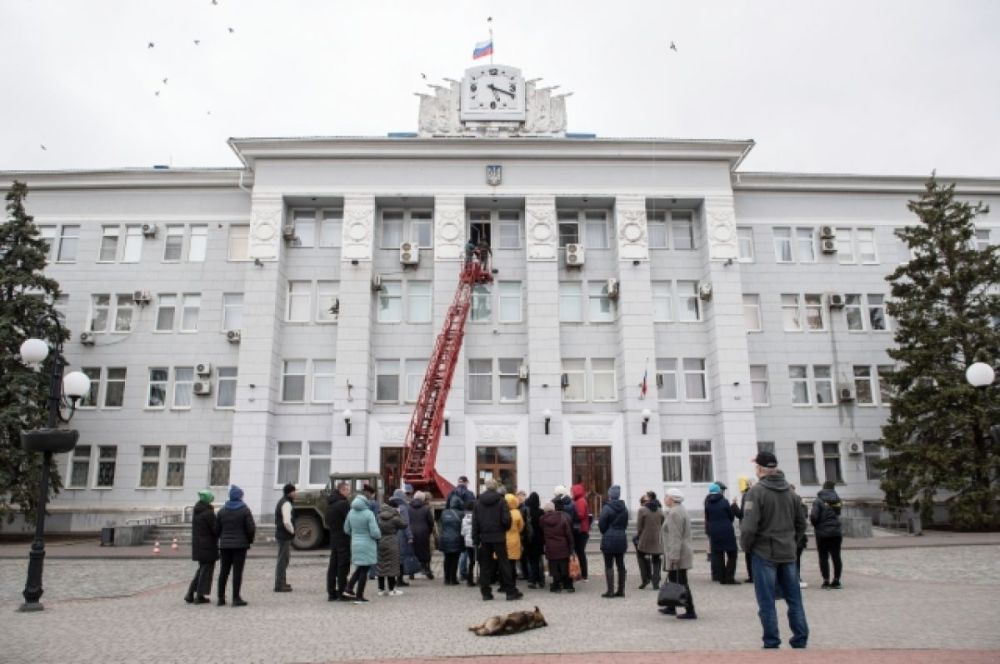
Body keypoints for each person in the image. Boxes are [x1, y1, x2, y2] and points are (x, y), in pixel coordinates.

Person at [740, 451, 809, 649]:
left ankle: (771, 640)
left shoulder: (756, 492)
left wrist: (746, 546)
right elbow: (802, 524)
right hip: (788, 552)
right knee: (794, 599)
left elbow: (749, 526)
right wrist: (792, 541)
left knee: (767, 600)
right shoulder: (790, 492)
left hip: (764, 553)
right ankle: (800, 637)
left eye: (756, 466)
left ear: (760, 469)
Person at [472, 479, 522, 601]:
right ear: (495, 488)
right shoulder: (501, 501)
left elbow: (475, 522)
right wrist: (504, 528)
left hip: (484, 537)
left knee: (485, 565)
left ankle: (486, 592)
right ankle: (510, 591)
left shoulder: (478, 502)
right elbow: (506, 520)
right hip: (499, 536)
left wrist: (476, 538)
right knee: (504, 564)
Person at [215, 484, 255, 607]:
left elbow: (217, 529)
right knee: (237, 572)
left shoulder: (222, 511)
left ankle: (220, 598)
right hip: (240, 546)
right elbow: (251, 528)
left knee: (223, 572)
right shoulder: (245, 510)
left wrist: (222, 539)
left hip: (225, 546)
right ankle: (236, 597)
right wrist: (249, 540)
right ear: (240, 497)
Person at [661, 488, 696, 619]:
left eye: (666, 496)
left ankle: (690, 609)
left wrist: (674, 555)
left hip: (678, 552)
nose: (664, 499)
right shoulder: (679, 510)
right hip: (680, 550)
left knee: (681, 582)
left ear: (672, 498)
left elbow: (675, 536)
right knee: (674, 579)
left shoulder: (675, 513)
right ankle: (671, 606)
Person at [344, 494, 381, 604]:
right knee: (364, 570)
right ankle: (359, 596)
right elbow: (374, 532)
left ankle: (349, 588)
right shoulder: (368, 514)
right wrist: (378, 536)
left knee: (361, 568)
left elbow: (346, 529)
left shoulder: (351, 512)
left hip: (355, 543)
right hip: (367, 544)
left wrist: (355, 535)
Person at [185, 489, 217, 605]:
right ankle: (200, 595)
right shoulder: (208, 513)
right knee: (206, 570)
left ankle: (190, 593)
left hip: (199, 545)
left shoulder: (197, 510)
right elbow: (215, 529)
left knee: (201, 569)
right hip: (208, 545)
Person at [811, 480, 844, 589]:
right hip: (836, 532)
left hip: (822, 533)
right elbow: (838, 513)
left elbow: (814, 517)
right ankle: (836, 580)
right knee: (836, 556)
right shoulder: (837, 499)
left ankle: (826, 580)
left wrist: (816, 525)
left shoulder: (818, 500)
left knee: (823, 557)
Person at [704, 482, 739, 585]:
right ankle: (729, 577)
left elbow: (708, 517)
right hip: (726, 530)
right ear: (719, 491)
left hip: (714, 530)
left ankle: (721, 577)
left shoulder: (707, 503)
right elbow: (731, 516)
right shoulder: (724, 501)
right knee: (732, 554)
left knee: (718, 555)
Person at [598, 485, 629, 598]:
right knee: (621, 565)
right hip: (621, 537)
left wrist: (606, 532)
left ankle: (610, 591)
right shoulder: (624, 508)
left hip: (609, 538)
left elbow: (602, 524)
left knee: (609, 565)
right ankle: (621, 590)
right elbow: (625, 524)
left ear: (610, 495)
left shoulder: (607, 508)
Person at [540, 501, 575, 593]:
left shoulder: (542, 520)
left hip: (550, 547)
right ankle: (568, 585)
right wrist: (571, 545)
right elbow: (568, 533)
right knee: (564, 566)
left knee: (554, 567)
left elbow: (541, 533)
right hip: (563, 546)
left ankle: (556, 585)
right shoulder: (562, 517)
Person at [326, 481, 352, 601]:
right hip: (343, 539)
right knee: (343, 566)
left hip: (334, 538)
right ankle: (342, 592)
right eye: (347, 490)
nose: (349, 492)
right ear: (342, 490)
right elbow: (350, 520)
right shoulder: (343, 504)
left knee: (333, 566)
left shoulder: (330, 503)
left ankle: (331, 592)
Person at [376, 497, 407, 596]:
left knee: (382, 566)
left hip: (381, 541)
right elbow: (405, 524)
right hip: (392, 542)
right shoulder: (395, 518)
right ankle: (391, 589)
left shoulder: (379, 516)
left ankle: (380, 590)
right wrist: (398, 513)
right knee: (392, 566)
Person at [636, 490, 664, 590]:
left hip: (645, 538)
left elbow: (639, 527)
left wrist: (639, 535)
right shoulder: (660, 510)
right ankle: (656, 583)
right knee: (656, 560)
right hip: (657, 538)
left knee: (641, 557)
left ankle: (645, 579)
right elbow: (662, 523)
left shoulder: (642, 510)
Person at [273, 482, 296, 592]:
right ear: (290, 492)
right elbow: (287, 521)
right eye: (294, 491)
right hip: (284, 535)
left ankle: (282, 582)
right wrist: (292, 531)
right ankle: (280, 584)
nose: (295, 493)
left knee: (283, 559)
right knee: (283, 560)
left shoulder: (283, 501)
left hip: (281, 534)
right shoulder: (286, 503)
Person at [391, 487, 416, 587]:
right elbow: (406, 523)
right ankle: (400, 580)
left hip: (393, 534)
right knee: (401, 557)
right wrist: (410, 536)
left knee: (395, 557)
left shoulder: (392, 507)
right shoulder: (404, 508)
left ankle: (395, 579)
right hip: (401, 535)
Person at [409, 490, 436, 580]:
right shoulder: (426, 509)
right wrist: (428, 531)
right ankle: (427, 571)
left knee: (413, 552)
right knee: (425, 552)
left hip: (412, 532)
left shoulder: (409, 508)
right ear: (423, 499)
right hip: (423, 533)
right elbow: (431, 522)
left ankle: (411, 573)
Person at [439, 494, 465, 585]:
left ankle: (446, 579)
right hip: (456, 538)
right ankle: (453, 579)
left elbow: (441, 524)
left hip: (445, 539)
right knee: (455, 559)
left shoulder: (444, 512)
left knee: (447, 559)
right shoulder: (462, 514)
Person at [732, 478, 754, 583]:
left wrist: (734, 506)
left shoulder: (747, 495)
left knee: (749, 553)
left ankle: (752, 576)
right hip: (758, 528)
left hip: (748, 528)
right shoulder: (758, 493)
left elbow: (743, 513)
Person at [570, 480, 591, 582]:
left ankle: (584, 574)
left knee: (580, 552)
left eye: (572, 491)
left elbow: (581, 515)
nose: (571, 493)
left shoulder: (580, 501)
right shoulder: (580, 500)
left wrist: (573, 515)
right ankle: (582, 573)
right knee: (580, 552)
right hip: (582, 530)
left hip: (581, 531)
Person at [524, 492, 546, 589]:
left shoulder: (526, 512)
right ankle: (541, 580)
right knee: (539, 560)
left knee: (531, 560)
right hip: (539, 539)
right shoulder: (541, 512)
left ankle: (532, 580)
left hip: (529, 539)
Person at [790, 484, 809, 589]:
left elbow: (803, 521)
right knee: (794, 560)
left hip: (794, 538)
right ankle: (795, 578)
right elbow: (803, 522)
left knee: (794, 560)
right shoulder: (800, 504)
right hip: (796, 537)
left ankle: (795, 578)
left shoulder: (798, 504)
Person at [504, 492, 525, 587]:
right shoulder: (517, 513)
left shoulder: (501, 511)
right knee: (512, 563)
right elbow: (521, 527)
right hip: (514, 540)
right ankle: (512, 583)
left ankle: (504, 584)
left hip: (502, 539)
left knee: (503, 563)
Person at [461, 499, 477, 586]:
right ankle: (481, 578)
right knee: (480, 560)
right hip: (476, 541)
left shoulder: (464, 519)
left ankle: (469, 580)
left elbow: (462, 533)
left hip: (467, 542)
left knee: (471, 561)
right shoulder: (477, 517)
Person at [516, 490, 531, 581]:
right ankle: (523, 573)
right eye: (519, 496)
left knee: (524, 555)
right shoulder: (518, 508)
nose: (520, 498)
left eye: (522, 496)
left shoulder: (525, 508)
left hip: (523, 534)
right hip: (519, 534)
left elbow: (526, 523)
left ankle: (525, 574)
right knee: (520, 556)